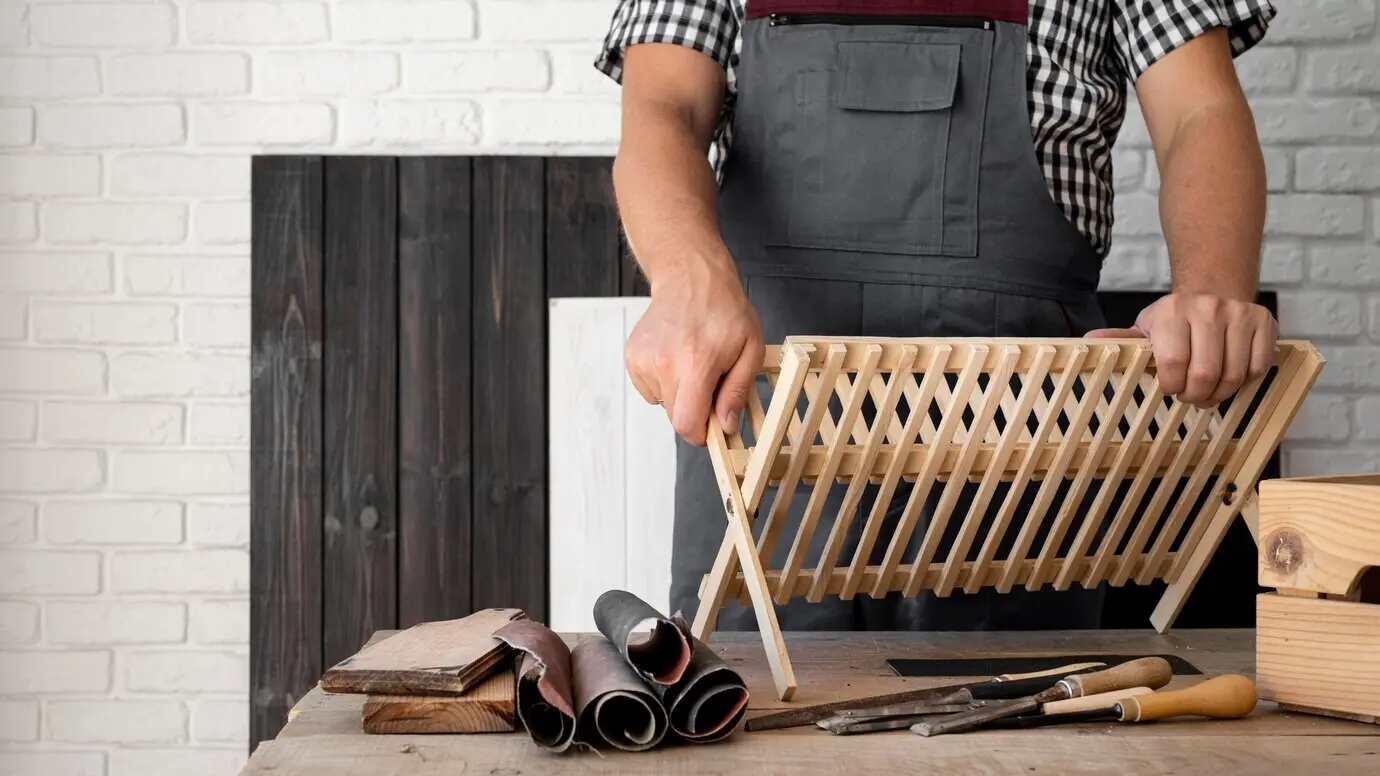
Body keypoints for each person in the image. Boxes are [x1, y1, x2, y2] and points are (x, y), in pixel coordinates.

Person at [594, 0, 1281, 632]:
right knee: (748, 724)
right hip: (765, 412)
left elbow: (1199, 110)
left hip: (1022, 428)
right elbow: (662, 104)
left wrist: (1211, 291)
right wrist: (686, 280)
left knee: (1024, 738)